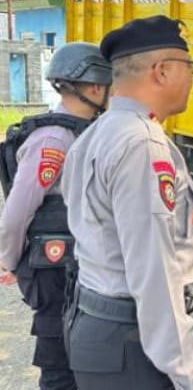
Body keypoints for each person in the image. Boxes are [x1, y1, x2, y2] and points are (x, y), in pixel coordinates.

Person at [60, 15, 193, 390]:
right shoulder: (141, 143)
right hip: (129, 343)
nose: (192, 78)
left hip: (97, 325)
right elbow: (153, 271)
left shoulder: (97, 132)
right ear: (162, 71)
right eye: (189, 66)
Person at [0, 42, 111, 390]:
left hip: (81, 265)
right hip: (53, 270)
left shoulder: (91, 130)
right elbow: (17, 211)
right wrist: (10, 260)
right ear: (95, 87)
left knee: (87, 362)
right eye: (109, 85)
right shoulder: (53, 139)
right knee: (59, 367)